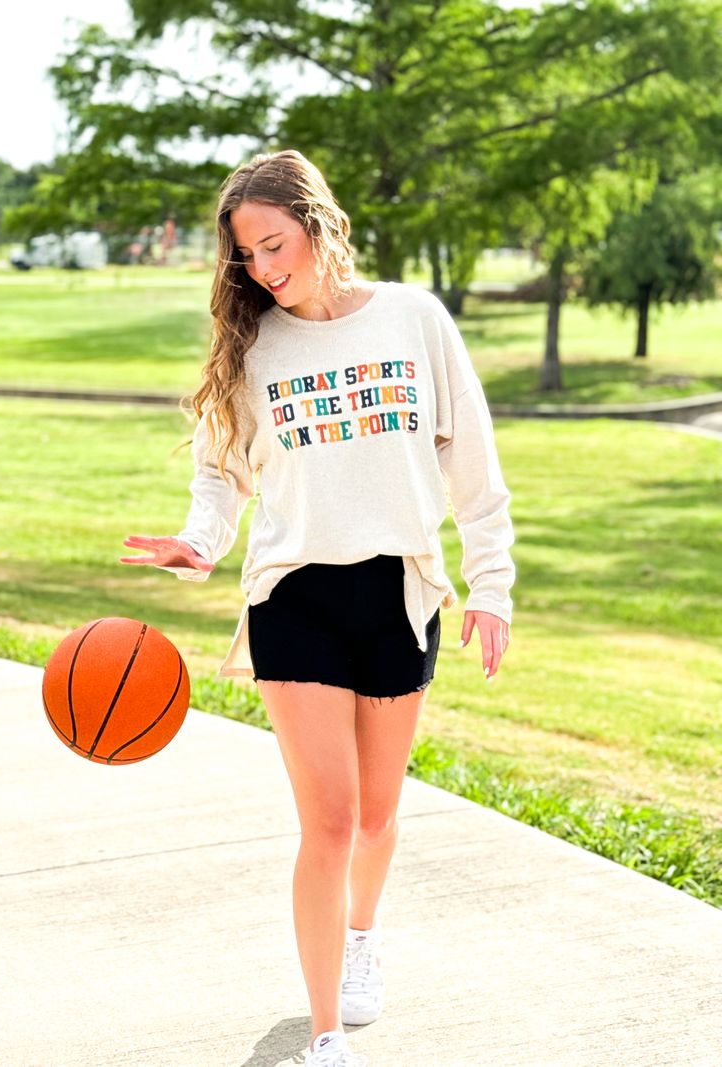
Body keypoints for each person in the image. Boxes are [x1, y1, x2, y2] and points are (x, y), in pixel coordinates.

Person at [120, 148, 515, 1067]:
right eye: (247, 257)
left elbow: (476, 473)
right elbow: (219, 476)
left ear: (319, 222)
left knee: (378, 815)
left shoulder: (415, 319)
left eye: (273, 243)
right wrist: (200, 544)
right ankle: (327, 1033)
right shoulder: (255, 348)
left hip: (398, 591)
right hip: (294, 597)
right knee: (329, 821)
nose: (262, 268)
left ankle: (363, 936)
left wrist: (489, 586)